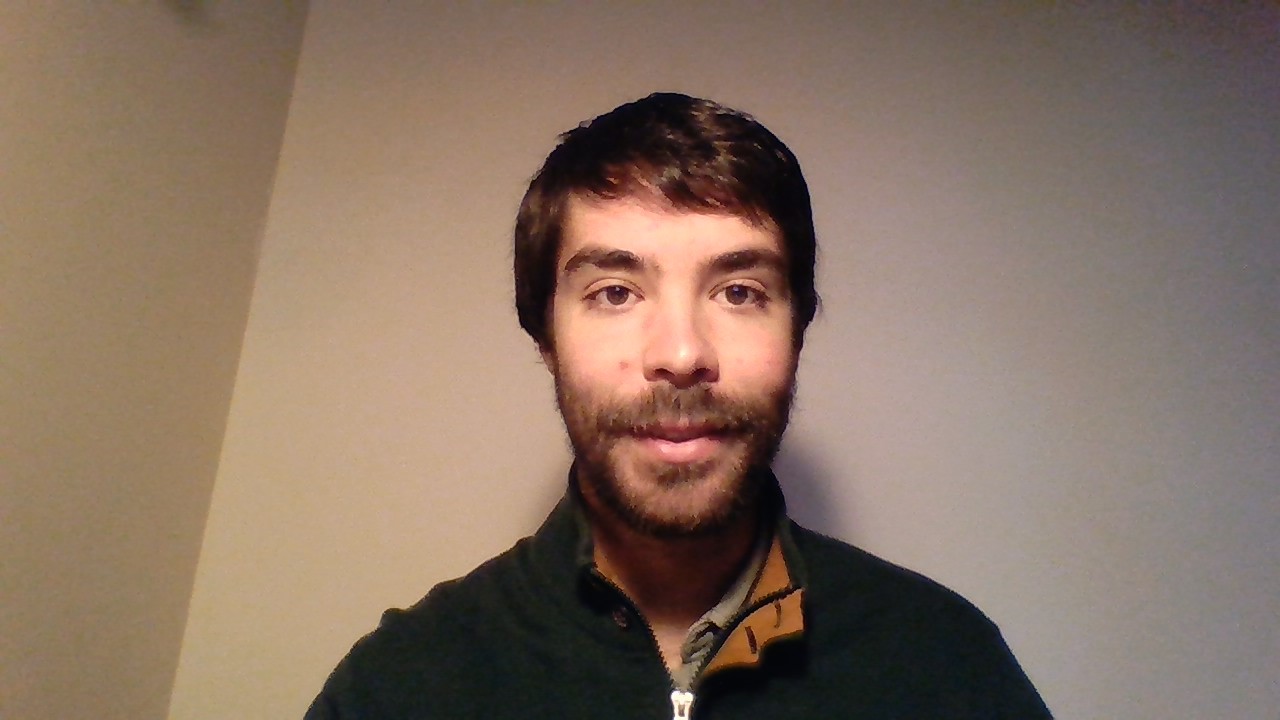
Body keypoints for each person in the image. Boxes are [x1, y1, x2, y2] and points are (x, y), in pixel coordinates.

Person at [304, 92, 1052, 719]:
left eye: (739, 292)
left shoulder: (948, 666)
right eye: (615, 293)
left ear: (797, 329)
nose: (684, 353)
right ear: (546, 339)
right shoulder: (397, 687)